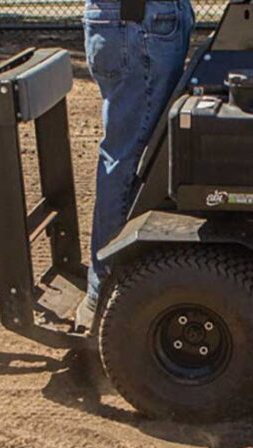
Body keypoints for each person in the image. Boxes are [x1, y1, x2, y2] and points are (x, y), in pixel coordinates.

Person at [83, 0, 195, 306]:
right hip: (141, 23)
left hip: (134, 22)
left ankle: (117, 279)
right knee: (128, 155)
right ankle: (109, 287)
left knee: (141, 151)